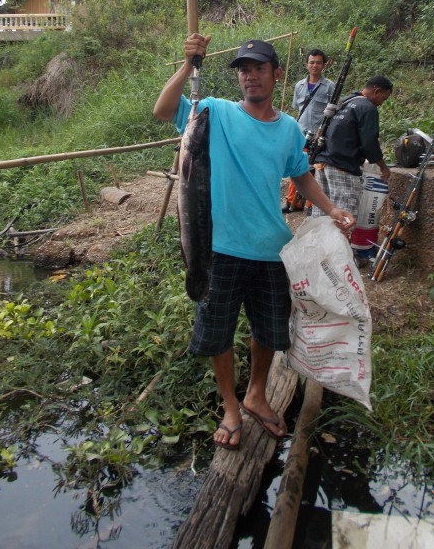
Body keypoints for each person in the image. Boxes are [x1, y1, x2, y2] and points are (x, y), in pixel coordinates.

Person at [153, 35, 356, 451]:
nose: (249, 76)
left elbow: (300, 173)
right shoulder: (214, 112)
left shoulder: (288, 129)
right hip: (219, 248)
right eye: (244, 69)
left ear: (276, 74)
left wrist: (332, 209)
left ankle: (256, 393)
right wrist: (188, 63)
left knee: (268, 331)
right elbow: (162, 110)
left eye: (258, 68)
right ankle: (230, 405)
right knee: (218, 331)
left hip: (270, 248)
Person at [311, 74, 393, 224]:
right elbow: (369, 143)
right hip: (343, 167)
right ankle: (339, 248)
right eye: (384, 98)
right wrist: (383, 167)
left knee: (322, 217)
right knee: (344, 219)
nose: (381, 103)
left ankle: (320, 247)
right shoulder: (367, 108)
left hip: (323, 164)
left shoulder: (345, 102)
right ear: (377, 90)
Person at [283, 48, 335, 214]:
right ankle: (293, 202)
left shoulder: (330, 87)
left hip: (320, 135)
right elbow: (296, 108)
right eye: (312, 62)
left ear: (324, 65)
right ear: (307, 64)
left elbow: (335, 111)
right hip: (300, 133)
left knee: (316, 169)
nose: (315, 65)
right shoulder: (299, 86)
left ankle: (313, 205)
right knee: (296, 166)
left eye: (318, 63)